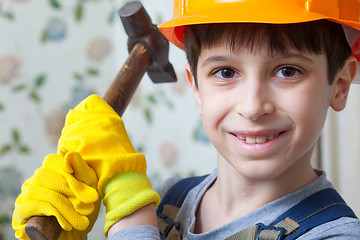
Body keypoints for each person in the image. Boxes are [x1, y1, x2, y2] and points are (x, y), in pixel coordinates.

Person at [11, 0, 360, 239]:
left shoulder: (333, 233)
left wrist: (128, 205)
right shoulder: (168, 202)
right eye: (225, 72)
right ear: (196, 88)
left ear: (339, 86)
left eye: (287, 71)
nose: (253, 107)